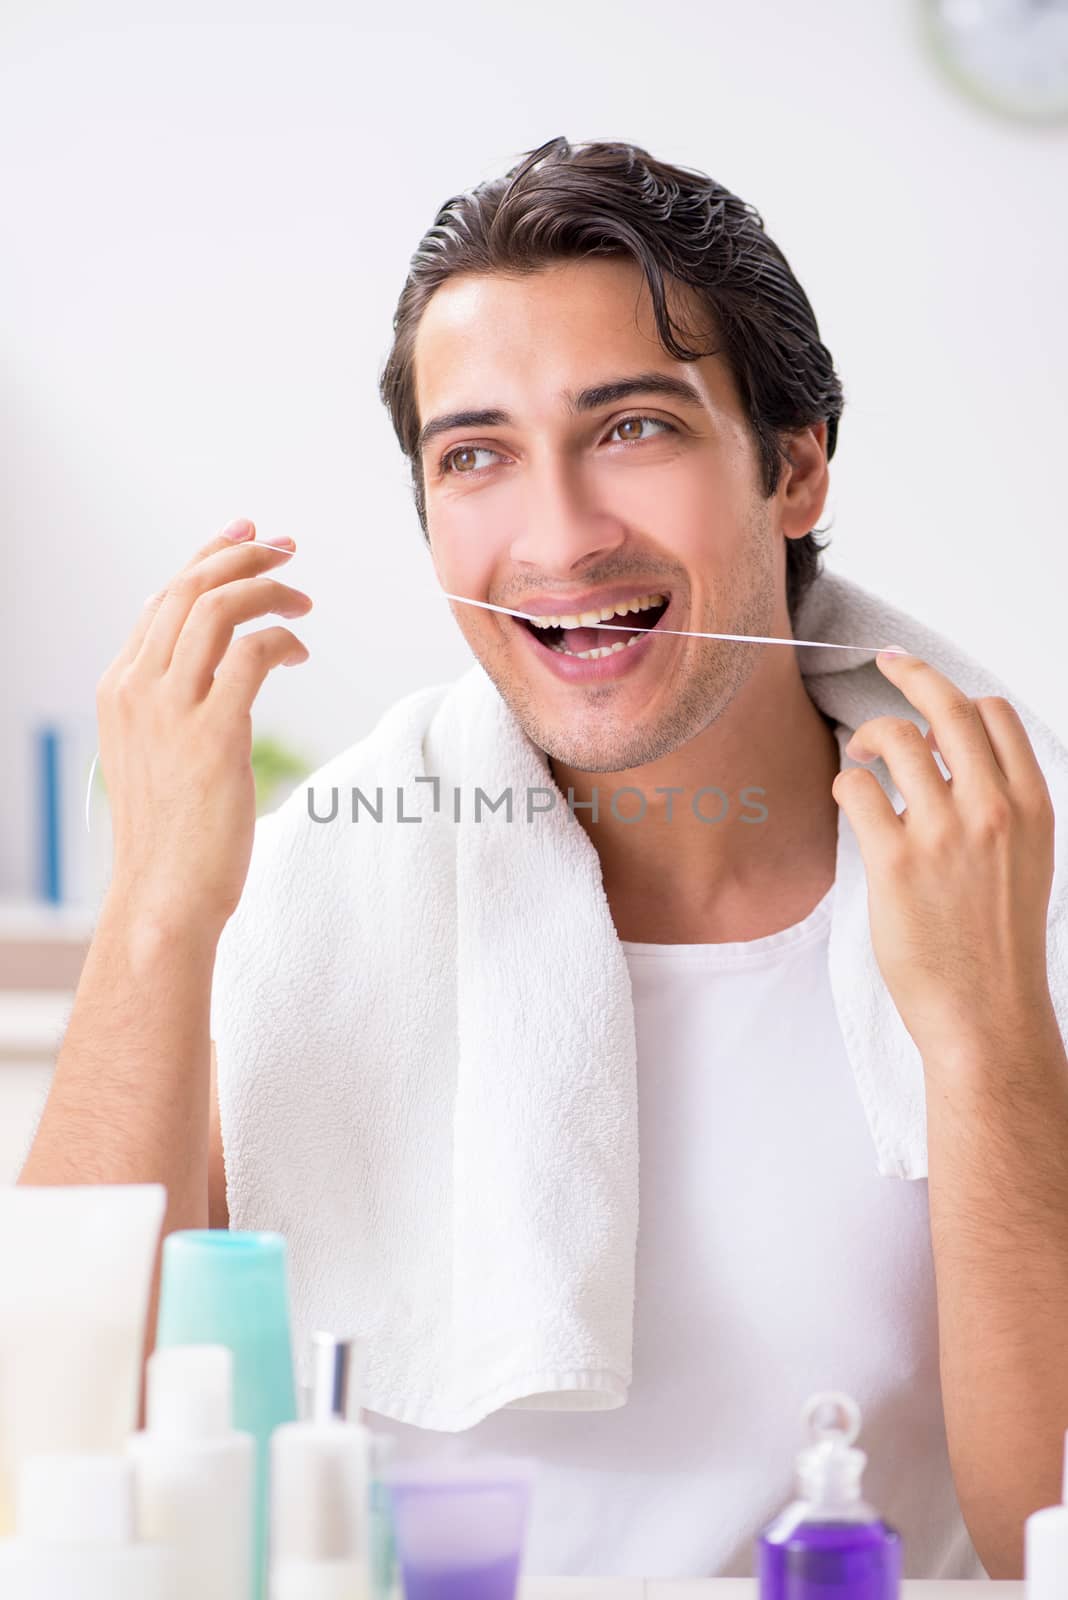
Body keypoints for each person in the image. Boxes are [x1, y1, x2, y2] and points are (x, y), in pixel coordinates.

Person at [18, 137, 1067, 1582]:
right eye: (479, 455)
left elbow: (1048, 1540)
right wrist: (154, 916)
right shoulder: (311, 902)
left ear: (797, 467)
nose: (559, 536)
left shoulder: (1005, 893)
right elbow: (52, 1472)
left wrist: (992, 1030)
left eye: (634, 427)